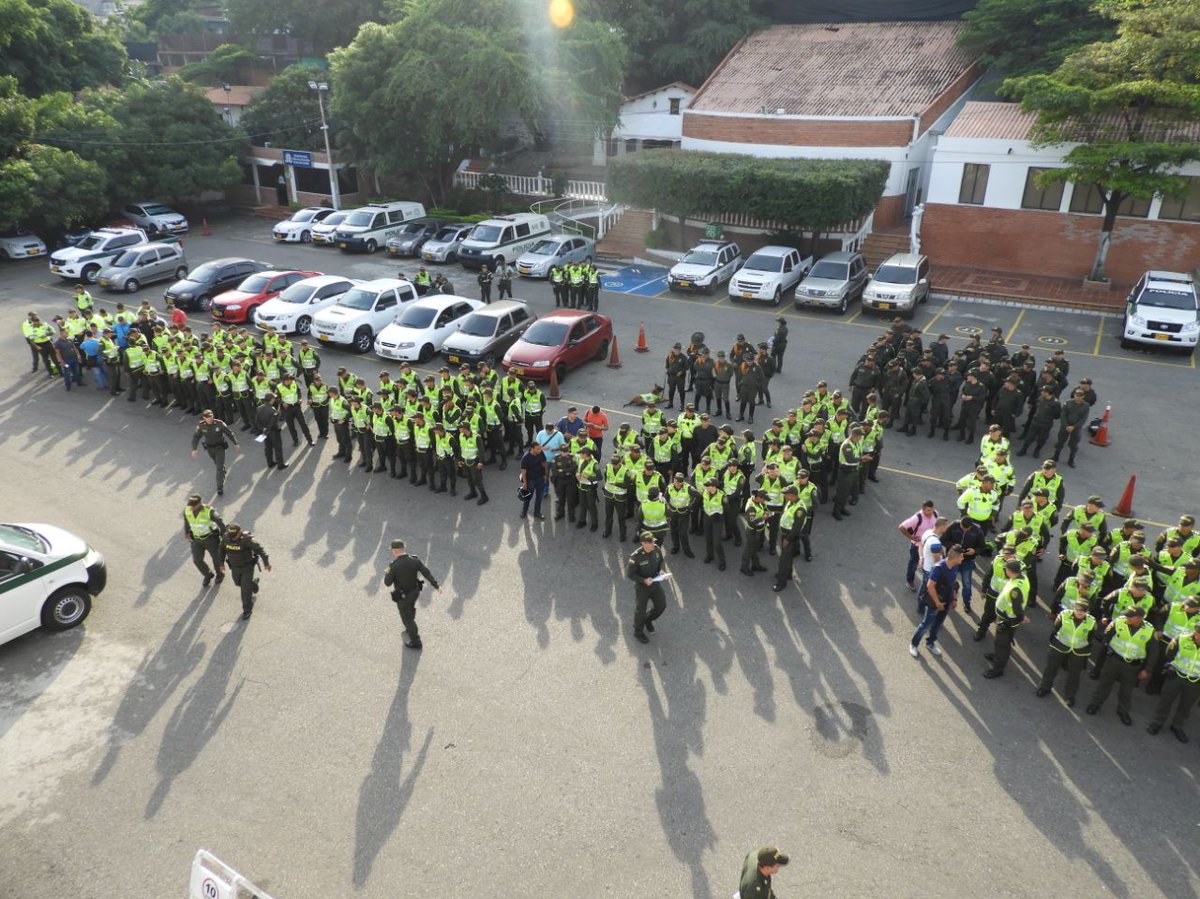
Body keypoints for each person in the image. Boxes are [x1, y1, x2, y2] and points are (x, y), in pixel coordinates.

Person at [1087, 606, 1158, 724]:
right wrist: (1104, 657)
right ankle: (1095, 704)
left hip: (1132, 666)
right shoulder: (1119, 622)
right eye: (1127, 615)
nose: (1127, 618)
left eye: (1131, 616)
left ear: (1140, 618)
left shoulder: (1150, 630)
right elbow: (1106, 638)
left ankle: (1123, 710)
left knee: (1127, 690)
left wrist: (1147, 669)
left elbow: (1154, 652)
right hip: (1113, 660)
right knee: (1104, 684)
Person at [1036, 598, 1097, 706]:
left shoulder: (1092, 622)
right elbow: (1056, 629)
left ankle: (1070, 695)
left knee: (1074, 674)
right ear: (1074, 608)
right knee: (1051, 668)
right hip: (1060, 645)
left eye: (1083, 610)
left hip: (1079, 650)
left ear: (1087, 611)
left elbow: (1090, 637)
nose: (1079, 612)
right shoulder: (1063, 615)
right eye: (1077, 609)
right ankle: (1045, 687)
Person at [1148, 618, 1200, 742]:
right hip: (1177, 676)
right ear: (1195, 632)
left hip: (1195, 681)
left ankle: (1177, 725)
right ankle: (1158, 722)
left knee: (1186, 705)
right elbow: (1169, 654)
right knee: (1166, 701)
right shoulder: (1181, 639)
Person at [383, 538, 441, 650]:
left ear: (395, 551)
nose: (392, 553)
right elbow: (426, 572)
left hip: (403, 596)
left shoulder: (394, 566)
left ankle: (415, 641)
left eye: (392, 551)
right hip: (415, 592)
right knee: (410, 607)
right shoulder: (415, 560)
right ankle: (410, 626)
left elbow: (387, 583)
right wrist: (436, 585)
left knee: (407, 618)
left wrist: (387, 572)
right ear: (404, 548)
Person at [910, 544, 962, 658]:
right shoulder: (938, 568)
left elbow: (953, 584)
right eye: (961, 557)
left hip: (946, 602)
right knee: (926, 624)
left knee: (937, 624)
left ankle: (930, 643)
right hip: (935, 602)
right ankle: (914, 644)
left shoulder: (954, 566)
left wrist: (954, 598)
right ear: (955, 557)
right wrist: (937, 602)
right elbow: (930, 586)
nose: (962, 559)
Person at [982, 559, 1029, 678]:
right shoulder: (1022, 578)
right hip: (1006, 617)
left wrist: (1021, 617)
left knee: (1002, 643)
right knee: (1001, 641)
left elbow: (1017, 606)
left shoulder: (1015, 589)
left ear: (1009, 571)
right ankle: (997, 656)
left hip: (1008, 619)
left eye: (1006, 569)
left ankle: (998, 669)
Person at [221, 523, 270, 621]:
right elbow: (221, 550)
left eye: (235, 535)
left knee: (245, 591)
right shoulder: (226, 538)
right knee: (237, 583)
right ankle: (253, 584)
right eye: (231, 535)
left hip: (247, 567)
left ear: (240, 532)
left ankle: (247, 609)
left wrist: (266, 563)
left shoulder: (247, 539)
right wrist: (221, 563)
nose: (233, 538)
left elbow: (260, 550)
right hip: (234, 567)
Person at [627, 532, 668, 644]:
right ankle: (638, 632)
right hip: (642, 588)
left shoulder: (657, 549)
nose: (652, 543)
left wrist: (661, 571)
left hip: (655, 583)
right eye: (649, 542)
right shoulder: (635, 557)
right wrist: (643, 580)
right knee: (641, 610)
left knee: (661, 605)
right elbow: (630, 574)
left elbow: (659, 563)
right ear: (643, 543)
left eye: (653, 541)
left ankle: (648, 620)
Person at [190, 409, 240, 496]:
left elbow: (229, 433)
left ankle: (219, 487)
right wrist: (194, 449)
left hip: (220, 448)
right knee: (217, 464)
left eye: (212, 416)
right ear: (204, 418)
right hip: (210, 449)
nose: (211, 418)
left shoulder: (219, 424)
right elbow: (196, 437)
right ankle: (222, 471)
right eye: (208, 417)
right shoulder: (201, 425)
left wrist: (236, 443)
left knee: (219, 468)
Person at [182, 493, 226, 587]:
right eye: (191, 505)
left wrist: (223, 538)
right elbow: (186, 521)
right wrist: (187, 533)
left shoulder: (209, 511)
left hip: (211, 538)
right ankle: (208, 574)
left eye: (194, 505)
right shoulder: (187, 510)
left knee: (216, 558)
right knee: (197, 560)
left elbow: (221, 524)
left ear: (199, 503)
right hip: (197, 539)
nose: (192, 507)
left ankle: (220, 574)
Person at [898, 501, 938, 591]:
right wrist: (911, 536)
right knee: (914, 564)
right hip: (917, 545)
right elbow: (901, 527)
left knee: (929, 563)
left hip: (929, 544)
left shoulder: (935, 514)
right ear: (923, 509)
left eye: (932, 510)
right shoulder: (917, 518)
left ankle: (929, 581)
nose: (930, 512)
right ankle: (909, 581)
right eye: (928, 510)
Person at [1052, 388, 1090, 468]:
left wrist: (1074, 427)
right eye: (1076, 395)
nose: (1078, 397)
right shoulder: (1068, 403)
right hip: (1065, 426)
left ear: (1083, 397)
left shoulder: (1086, 406)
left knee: (1074, 444)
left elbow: (1083, 419)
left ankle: (1071, 459)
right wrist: (1066, 425)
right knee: (1060, 441)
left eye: (1080, 396)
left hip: (1076, 428)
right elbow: (1063, 415)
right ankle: (1056, 456)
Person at [254, 394, 288, 471]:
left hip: (264, 432)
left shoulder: (259, 408)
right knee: (277, 448)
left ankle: (270, 463)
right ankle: (280, 464)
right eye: (274, 399)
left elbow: (256, 421)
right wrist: (268, 429)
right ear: (271, 400)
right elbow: (274, 421)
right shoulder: (273, 410)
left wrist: (263, 429)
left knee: (268, 448)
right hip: (273, 431)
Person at [519, 441, 548, 519]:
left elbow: (544, 463)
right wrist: (525, 483)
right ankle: (524, 511)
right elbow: (523, 471)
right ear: (532, 449)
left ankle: (537, 512)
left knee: (539, 497)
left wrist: (545, 474)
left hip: (540, 479)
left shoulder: (541, 453)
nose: (540, 450)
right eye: (538, 449)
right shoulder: (526, 457)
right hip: (530, 480)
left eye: (540, 448)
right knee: (528, 497)